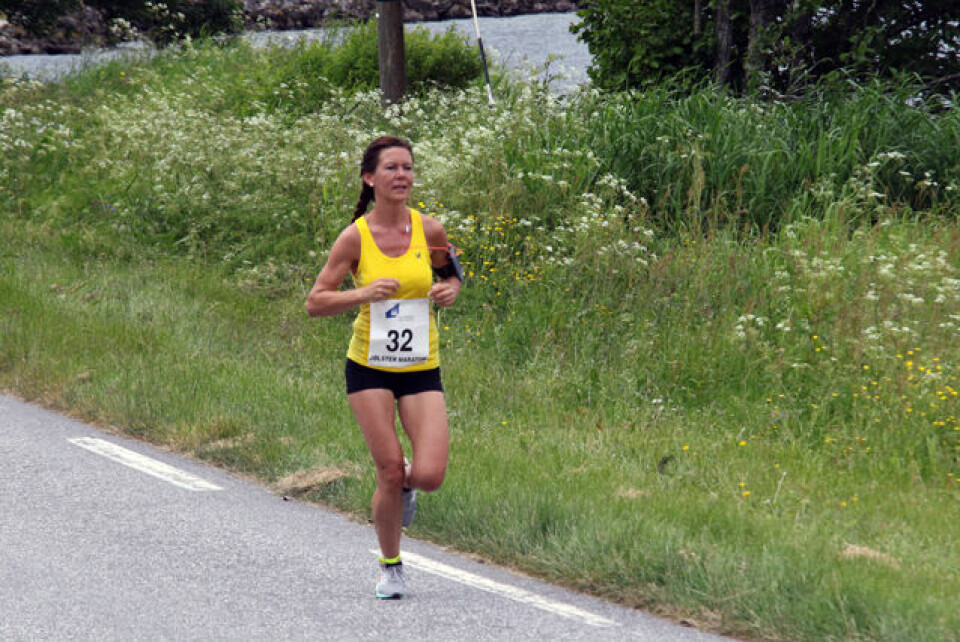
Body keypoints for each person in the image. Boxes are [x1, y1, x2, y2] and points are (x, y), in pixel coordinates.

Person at [305, 136, 462, 599]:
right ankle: (390, 566)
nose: (402, 176)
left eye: (408, 168)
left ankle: (406, 489)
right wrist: (362, 294)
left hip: (419, 365)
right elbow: (316, 302)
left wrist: (451, 287)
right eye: (391, 168)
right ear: (370, 178)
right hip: (369, 366)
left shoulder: (428, 228)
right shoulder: (355, 236)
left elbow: (451, 270)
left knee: (428, 475)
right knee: (390, 468)